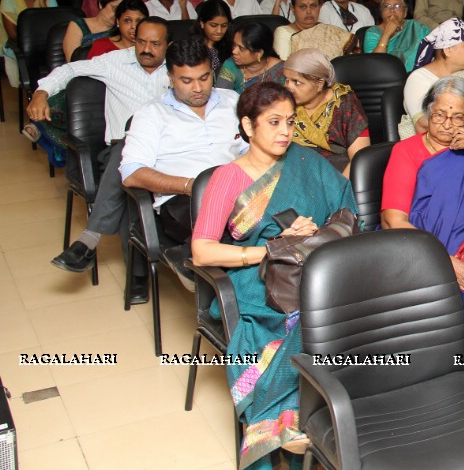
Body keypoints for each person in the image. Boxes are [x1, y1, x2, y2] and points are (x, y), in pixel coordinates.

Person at [191, 82, 357, 468]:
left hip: (312, 266)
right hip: (256, 278)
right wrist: (269, 247)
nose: (285, 131)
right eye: (274, 122)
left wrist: (315, 232)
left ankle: (329, 418)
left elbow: (346, 212)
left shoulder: (306, 161)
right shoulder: (227, 178)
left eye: (290, 122)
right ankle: (286, 424)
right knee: (302, 321)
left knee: (349, 311)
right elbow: (202, 250)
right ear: (248, 126)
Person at [382, 76, 464, 355]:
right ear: (428, 113)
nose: (446, 124)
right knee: (458, 325)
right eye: (439, 115)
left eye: (457, 117)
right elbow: (394, 221)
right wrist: (447, 262)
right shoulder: (405, 152)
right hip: (426, 255)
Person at [42, 17, 171, 302]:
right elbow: (68, 69)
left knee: (132, 190)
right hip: (121, 150)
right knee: (131, 178)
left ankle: (91, 243)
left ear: (168, 45)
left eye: (155, 44)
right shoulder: (114, 61)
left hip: (166, 152)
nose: (146, 49)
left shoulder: (177, 69)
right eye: (140, 42)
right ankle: (137, 275)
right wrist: (41, 92)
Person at [120, 38, 247, 251]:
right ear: (170, 78)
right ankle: (213, 278)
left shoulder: (232, 101)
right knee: (226, 233)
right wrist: (191, 186)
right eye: (187, 81)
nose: (198, 88)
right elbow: (132, 172)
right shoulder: (151, 114)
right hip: (183, 201)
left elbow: (249, 149)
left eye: (204, 78)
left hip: (236, 191)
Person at [283, 48, 369, 178]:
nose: (289, 87)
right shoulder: (285, 104)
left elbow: (359, 159)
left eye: (297, 82)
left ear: (319, 84)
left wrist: (337, 191)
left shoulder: (344, 103)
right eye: (286, 80)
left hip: (337, 177)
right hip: (294, 176)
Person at [2, 0, 59, 84]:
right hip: (19, 47)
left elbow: (54, 28)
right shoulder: (9, 0)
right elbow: (12, 34)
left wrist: (43, 4)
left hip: (48, 46)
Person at [275, 0, 353, 61]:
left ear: (320, 7)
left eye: (313, 6)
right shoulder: (284, 32)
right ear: (292, 8)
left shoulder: (328, 30)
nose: (308, 11)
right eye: (303, 7)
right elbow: (283, 66)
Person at [363, 0, 430, 71]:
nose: (392, 10)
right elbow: (374, 65)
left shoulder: (417, 29)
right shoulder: (372, 32)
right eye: (387, 6)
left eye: (397, 6)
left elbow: (431, 55)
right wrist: (386, 34)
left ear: (405, 12)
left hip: (416, 76)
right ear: (381, 11)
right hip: (384, 79)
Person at [217, 21, 286, 93]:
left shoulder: (281, 70)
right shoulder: (230, 65)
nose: (234, 51)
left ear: (259, 53)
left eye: (241, 48)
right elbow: (222, 98)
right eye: (234, 45)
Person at [194, 0, 232, 76]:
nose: (219, 31)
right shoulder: (192, 47)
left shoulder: (232, 46)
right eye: (213, 25)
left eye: (224, 25)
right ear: (202, 23)